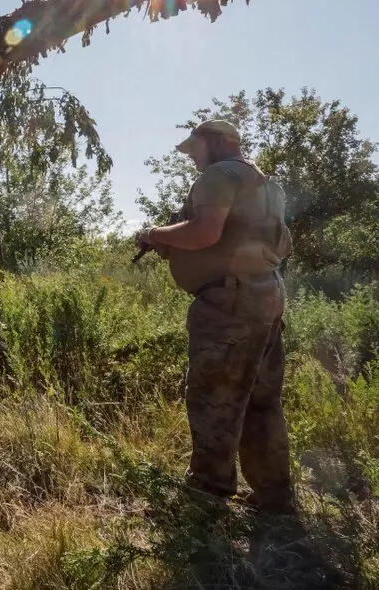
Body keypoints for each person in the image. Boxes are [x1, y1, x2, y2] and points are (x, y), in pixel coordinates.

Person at [135, 118, 296, 515]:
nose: (193, 159)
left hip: (230, 305)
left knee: (214, 396)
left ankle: (206, 498)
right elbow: (279, 243)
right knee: (261, 399)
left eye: (196, 150)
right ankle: (274, 498)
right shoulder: (267, 185)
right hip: (265, 294)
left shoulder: (218, 176)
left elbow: (205, 232)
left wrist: (156, 234)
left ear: (221, 143)